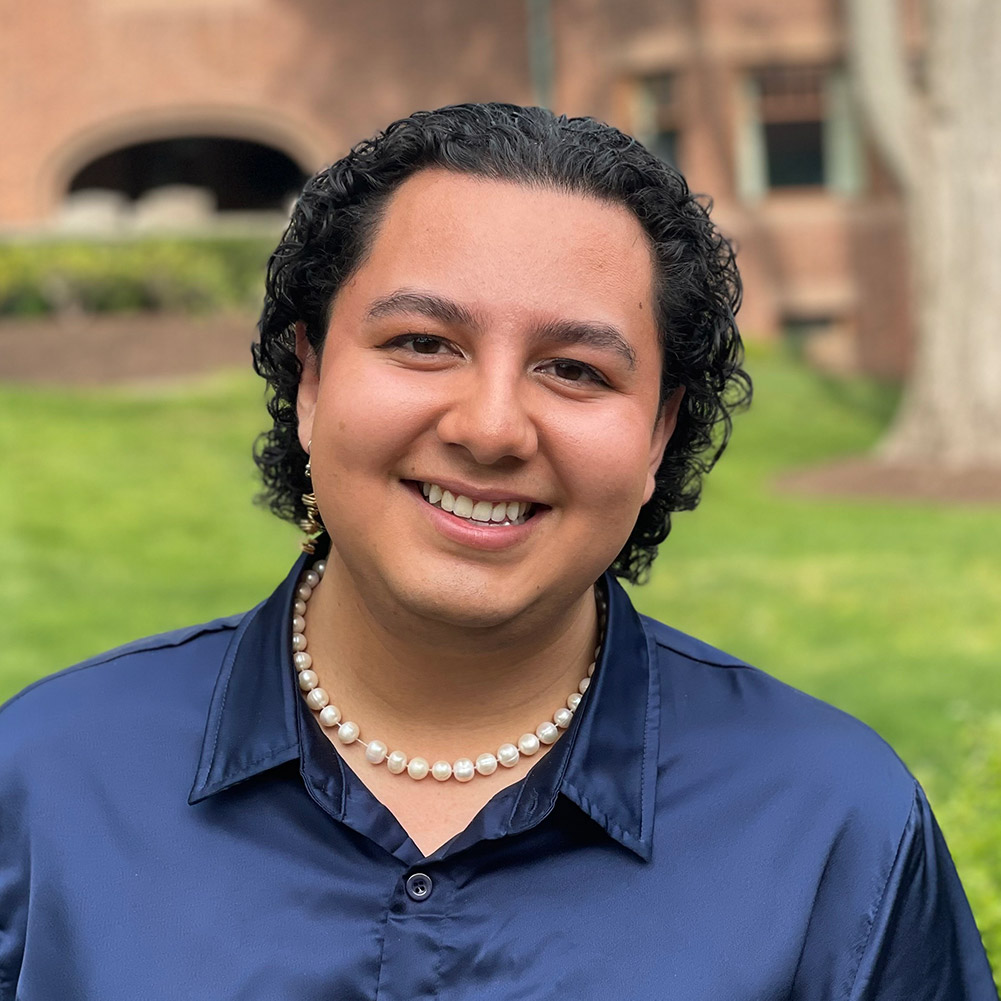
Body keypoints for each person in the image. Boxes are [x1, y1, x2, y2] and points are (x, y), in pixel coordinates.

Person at [0, 103, 996, 1000]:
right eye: (422, 343)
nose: (491, 427)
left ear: (657, 431)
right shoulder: (44, 782)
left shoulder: (830, 827)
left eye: (573, 368)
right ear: (308, 380)